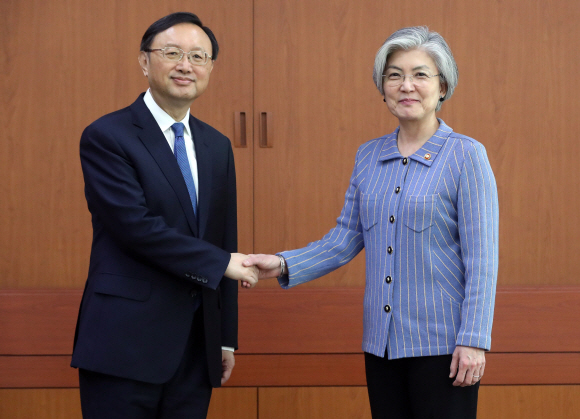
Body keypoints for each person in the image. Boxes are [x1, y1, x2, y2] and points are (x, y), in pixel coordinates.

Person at [243, 26, 498, 419]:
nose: (406, 85)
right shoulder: (368, 156)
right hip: (382, 344)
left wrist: (474, 340)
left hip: (445, 347)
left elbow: (483, 259)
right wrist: (281, 263)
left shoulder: (466, 156)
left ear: (443, 87)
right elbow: (344, 238)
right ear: (382, 88)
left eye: (420, 74)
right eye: (394, 75)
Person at [71, 12, 258, 419]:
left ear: (210, 67)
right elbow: (135, 228)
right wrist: (222, 263)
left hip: (195, 348)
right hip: (123, 346)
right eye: (172, 53)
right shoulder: (107, 136)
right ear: (144, 61)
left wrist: (225, 339)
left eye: (198, 56)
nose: (185, 65)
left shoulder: (217, 146)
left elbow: (224, 238)